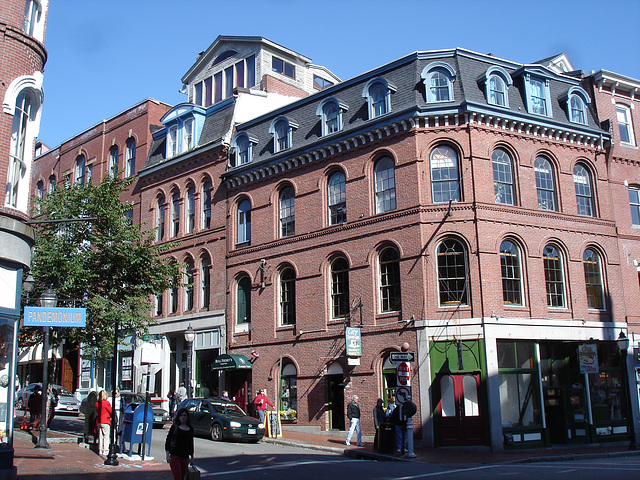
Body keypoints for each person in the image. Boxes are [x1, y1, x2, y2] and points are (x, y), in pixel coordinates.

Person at [165, 407, 194, 480]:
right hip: (175, 456)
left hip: (185, 457)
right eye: (181, 415)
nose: (183, 417)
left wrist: (192, 458)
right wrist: (167, 454)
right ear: (178, 417)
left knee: (182, 477)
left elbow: (190, 443)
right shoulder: (175, 427)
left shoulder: (190, 428)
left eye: (185, 415)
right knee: (178, 477)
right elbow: (168, 440)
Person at [95, 389, 112, 456]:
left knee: (100, 436)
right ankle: (105, 450)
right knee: (106, 436)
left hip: (99, 421)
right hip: (105, 421)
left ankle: (100, 449)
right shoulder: (106, 403)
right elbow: (110, 411)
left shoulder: (97, 403)